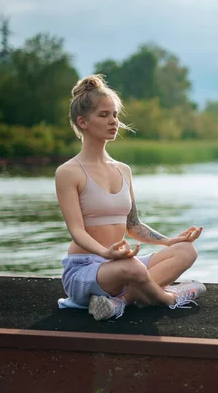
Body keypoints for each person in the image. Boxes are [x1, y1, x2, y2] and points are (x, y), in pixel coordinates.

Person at [55, 74, 206, 321]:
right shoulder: (68, 172)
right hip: (87, 269)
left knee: (186, 251)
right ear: (82, 122)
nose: (113, 121)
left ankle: (116, 303)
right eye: (103, 115)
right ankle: (170, 298)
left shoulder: (123, 169)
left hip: (122, 264)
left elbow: (132, 226)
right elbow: (77, 231)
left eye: (114, 114)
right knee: (132, 267)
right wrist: (107, 254)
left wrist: (171, 241)